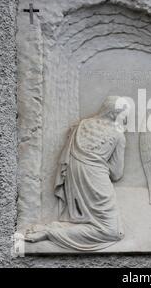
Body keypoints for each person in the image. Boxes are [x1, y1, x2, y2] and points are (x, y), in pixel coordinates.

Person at [25, 96, 130, 251]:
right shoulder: (118, 135)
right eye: (125, 114)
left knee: (89, 221)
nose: (127, 118)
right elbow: (117, 174)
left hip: (74, 177)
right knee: (111, 231)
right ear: (114, 114)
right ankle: (50, 232)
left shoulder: (81, 125)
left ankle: (56, 226)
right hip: (95, 180)